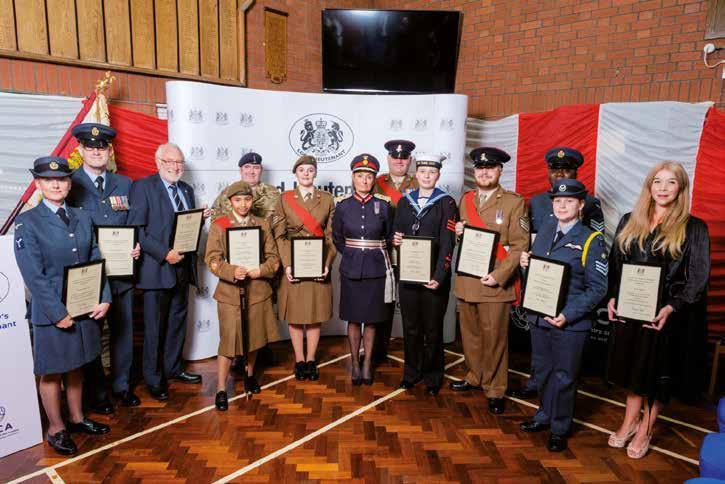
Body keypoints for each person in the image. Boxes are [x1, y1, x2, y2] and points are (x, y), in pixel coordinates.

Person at [606, 161, 710, 459]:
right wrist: (613, 297)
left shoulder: (694, 227)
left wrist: (672, 307)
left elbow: (698, 277)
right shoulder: (629, 220)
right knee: (633, 368)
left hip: (666, 314)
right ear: (649, 186)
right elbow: (616, 264)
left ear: (681, 188)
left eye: (671, 182)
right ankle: (629, 421)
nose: (663, 188)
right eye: (657, 181)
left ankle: (646, 428)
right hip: (631, 310)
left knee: (656, 373)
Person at [14, 156, 112, 455]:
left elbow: (95, 258)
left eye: (62, 179)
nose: (56, 185)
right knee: (52, 372)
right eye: (48, 180)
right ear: (38, 184)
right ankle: (56, 429)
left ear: (70, 183)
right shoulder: (28, 222)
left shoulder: (82, 217)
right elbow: (33, 274)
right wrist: (58, 313)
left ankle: (77, 418)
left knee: (76, 364)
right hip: (52, 312)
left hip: (83, 306)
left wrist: (105, 296)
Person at [518, 179, 608, 452]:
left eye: (569, 201)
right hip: (539, 315)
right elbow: (540, 273)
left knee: (564, 376)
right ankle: (543, 415)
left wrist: (568, 315)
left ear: (580, 205)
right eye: (558, 201)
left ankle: (560, 427)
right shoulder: (546, 229)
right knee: (543, 371)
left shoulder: (591, 239)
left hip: (569, 323)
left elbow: (598, 288)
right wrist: (526, 264)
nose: (562, 206)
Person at [511, 146, 606, 400]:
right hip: (542, 292)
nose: (560, 174)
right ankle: (539, 392)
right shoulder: (537, 203)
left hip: (571, 292)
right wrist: (527, 261)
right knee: (543, 360)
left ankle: (557, 409)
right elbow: (535, 243)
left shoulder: (592, 205)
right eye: (555, 170)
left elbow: (594, 245)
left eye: (566, 170)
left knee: (564, 369)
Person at [66, 123, 142, 411]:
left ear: (109, 151)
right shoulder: (69, 183)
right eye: (90, 147)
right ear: (80, 150)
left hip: (121, 274)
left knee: (123, 333)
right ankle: (98, 394)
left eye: (101, 148)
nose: (96, 152)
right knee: (92, 336)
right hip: (90, 277)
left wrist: (136, 244)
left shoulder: (124, 184)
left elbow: (132, 222)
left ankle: (122, 386)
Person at [127, 143, 211, 401]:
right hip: (157, 269)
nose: (176, 166)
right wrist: (164, 253)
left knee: (177, 322)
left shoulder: (186, 189)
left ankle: (173, 368)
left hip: (182, 267)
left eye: (180, 162)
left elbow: (184, 228)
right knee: (154, 328)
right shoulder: (142, 187)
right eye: (170, 161)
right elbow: (138, 230)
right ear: (158, 162)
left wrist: (200, 219)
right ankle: (153, 379)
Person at [450, 147, 529, 414]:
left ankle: (495, 388)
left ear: (500, 171)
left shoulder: (514, 202)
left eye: (490, 168)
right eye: (480, 168)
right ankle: (475, 375)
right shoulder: (466, 200)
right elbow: (464, 240)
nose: (484, 172)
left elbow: (520, 245)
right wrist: (458, 233)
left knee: (494, 339)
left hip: (494, 282)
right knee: (470, 336)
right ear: (475, 171)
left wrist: (499, 275)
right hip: (467, 280)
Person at [205, 181, 281, 411]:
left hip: (257, 291)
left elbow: (274, 258)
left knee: (254, 339)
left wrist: (260, 271)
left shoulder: (262, 224)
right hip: (230, 294)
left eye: (247, 199)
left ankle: (249, 375)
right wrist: (231, 271)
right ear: (230, 202)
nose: (243, 204)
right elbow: (212, 259)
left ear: (252, 201)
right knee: (229, 342)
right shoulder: (220, 225)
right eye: (238, 200)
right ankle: (221, 388)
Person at [392, 153, 458, 395]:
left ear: (438, 175)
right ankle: (411, 372)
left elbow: (448, 242)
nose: (427, 176)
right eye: (422, 172)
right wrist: (396, 240)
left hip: (433, 278)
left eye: (432, 172)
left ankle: (433, 376)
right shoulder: (404, 202)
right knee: (411, 328)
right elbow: (396, 235)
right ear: (416, 174)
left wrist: (439, 276)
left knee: (432, 330)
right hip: (409, 276)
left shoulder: (447, 203)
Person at [272, 155, 337, 381]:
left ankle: (311, 360)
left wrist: (326, 264)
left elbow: (331, 236)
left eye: (310, 170)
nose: (306, 174)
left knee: (314, 314)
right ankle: (299, 360)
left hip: (317, 264)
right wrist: (288, 264)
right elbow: (279, 235)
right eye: (302, 170)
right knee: (296, 315)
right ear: (295, 173)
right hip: (294, 264)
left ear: (315, 173)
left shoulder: (327, 199)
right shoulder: (284, 199)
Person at [332, 154, 395, 385]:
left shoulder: (384, 205)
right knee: (353, 319)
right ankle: (355, 363)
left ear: (374, 179)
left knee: (371, 320)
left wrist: (369, 255)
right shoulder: (342, 206)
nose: (365, 180)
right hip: (351, 270)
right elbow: (337, 238)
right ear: (353, 178)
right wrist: (352, 255)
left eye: (369, 176)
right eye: (360, 176)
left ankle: (367, 362)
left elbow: (389, 237)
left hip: (375, 270)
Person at [370, 139, 418, 365]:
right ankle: (377, 352)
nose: (399, 161)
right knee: (382, 304)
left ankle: (414, 355)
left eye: (404, 158)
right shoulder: (376, 183)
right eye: (395, 157)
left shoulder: (419, 182)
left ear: (410, 160)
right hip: (383, 252)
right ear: (388, 159)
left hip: (413, 254)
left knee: (412, 306)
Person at [211, 151, 280, 223]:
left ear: (261, 170)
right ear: (241, 170)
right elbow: (215, 219)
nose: (251, 171)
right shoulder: (228, 192)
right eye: (247, 167)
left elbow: (281, 220)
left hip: (266, 230)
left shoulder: (273, 193)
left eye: (256, 168)